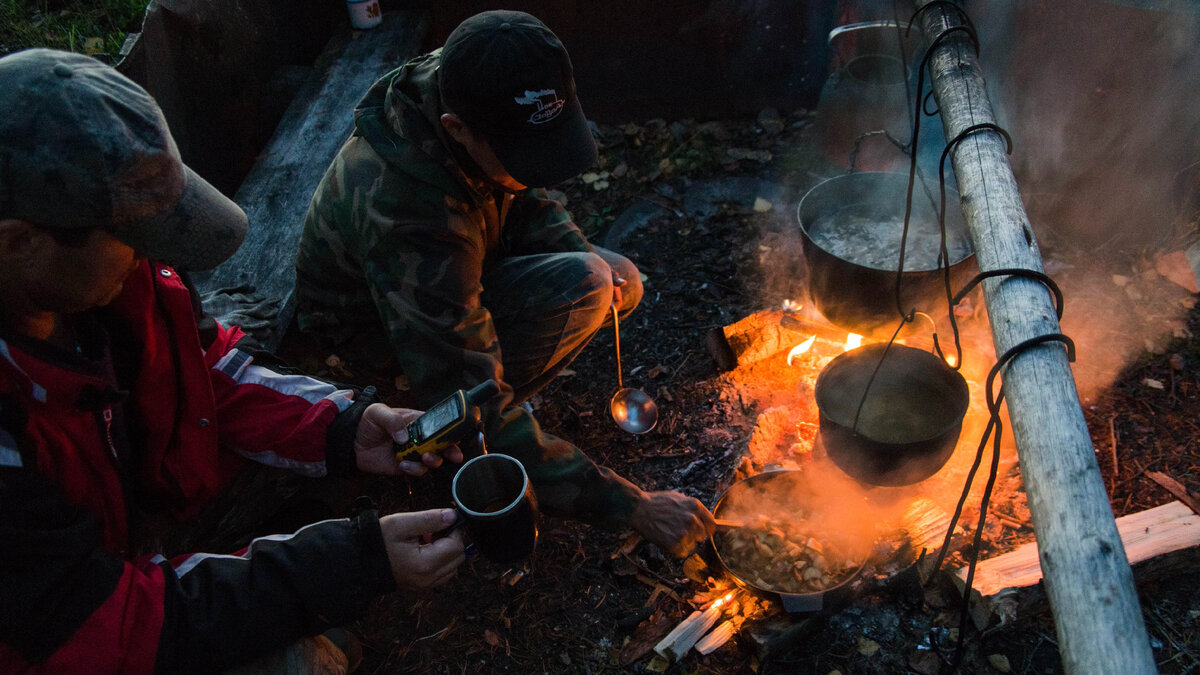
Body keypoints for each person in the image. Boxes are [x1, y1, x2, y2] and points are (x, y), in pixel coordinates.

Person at [0, 48, 466, 674]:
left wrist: (342, 427)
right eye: (135, 239)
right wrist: (350, 563)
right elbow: (103, 628)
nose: (150, 258)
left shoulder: (107, 288)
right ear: (20, 242)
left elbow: (206, 368)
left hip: (120, 542)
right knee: (302, 665)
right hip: (63, 634)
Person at [291, 10, 715, 558]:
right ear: (456, 129)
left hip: (451, 278)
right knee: (574, 300)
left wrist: (576, 247)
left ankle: (513, 386)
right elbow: (467, 402)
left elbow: (521, 193)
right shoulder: (409, 215)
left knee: (614, 279)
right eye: (523, 156)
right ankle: (486, 432)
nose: (535, 167)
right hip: (375, 347)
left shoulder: (473, 81)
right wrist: (631, 506)